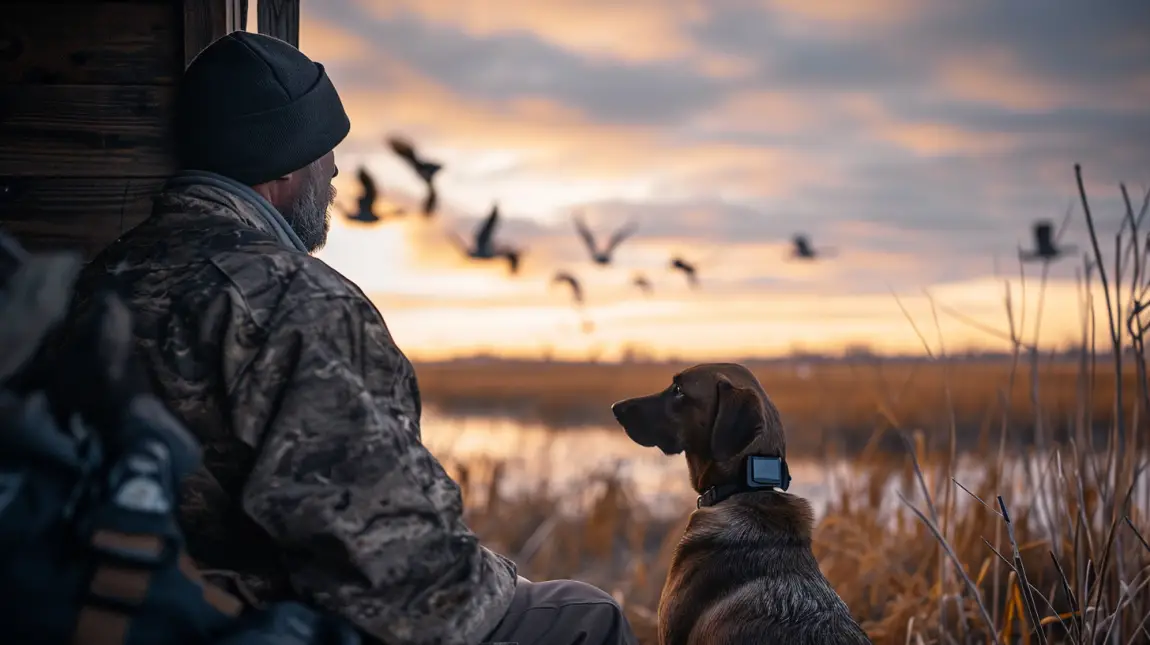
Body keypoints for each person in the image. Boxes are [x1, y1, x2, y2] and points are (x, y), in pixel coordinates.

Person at [66, 31, 636, 645]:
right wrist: (503, 583)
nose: (335, 171)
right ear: (283, 164)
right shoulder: (296, 302)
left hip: (124, 612)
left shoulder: (98, 281)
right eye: (324, 152)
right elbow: (399, 573)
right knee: (586, 616)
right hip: (255, 624)